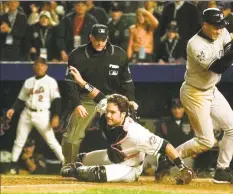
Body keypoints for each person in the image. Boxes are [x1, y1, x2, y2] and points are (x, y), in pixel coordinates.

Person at [156, 8, 233, 185]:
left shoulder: (222, 32)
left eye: (220, 25)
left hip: (211, 89)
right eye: (215, 26)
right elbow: (218, 67)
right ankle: (168, 158)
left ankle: (222, 170)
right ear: (205, 25)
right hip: (194, 93)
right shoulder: (195, 44)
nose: (219, 29)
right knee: (206, 141)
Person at [63, 67, 194, 184]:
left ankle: (160, 161)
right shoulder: (109, 111)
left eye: (112, 112)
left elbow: (165, 145)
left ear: (123, 114)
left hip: (129, 166)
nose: (108, 115)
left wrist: (182, 167)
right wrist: (80, 81)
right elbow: (98, 95)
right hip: (112, 155)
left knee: (94, 173)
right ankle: (79, 169)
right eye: (107, 111)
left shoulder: (135, 133)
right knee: (79, 159)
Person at [60, 23, 137, 177]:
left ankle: (131, 166)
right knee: (72, 137)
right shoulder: (77, 55)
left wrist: (131, 100)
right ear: (90, 38)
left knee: (130, 132)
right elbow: (70, 82)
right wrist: (76, 104)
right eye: (97, 39)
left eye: (103, 39)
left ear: (107, 38)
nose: (100, 43)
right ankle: (69, 166)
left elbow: (127, 82)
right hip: (87, 99)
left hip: (112, 100)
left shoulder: (119, 54)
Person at [6, 57, 64, 172]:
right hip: (27, 113)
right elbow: (21, 99)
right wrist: (13, 109)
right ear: (34, 67)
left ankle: (66, 162)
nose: (39, 67)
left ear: (46, 67)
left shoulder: (50, 81)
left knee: (51, 141)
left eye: (42, 65)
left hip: (42, 114)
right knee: (19, 140)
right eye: (37, 65)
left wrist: (56, 115)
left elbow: (57, 100)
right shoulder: (28, 81)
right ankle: (12, 165)